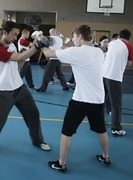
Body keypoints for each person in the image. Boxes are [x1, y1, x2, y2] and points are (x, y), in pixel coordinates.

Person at [42, 25, 111, 172]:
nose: (73, 40)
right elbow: (68, 52)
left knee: (67, 131)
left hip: (81, 100)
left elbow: (48, 54)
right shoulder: (98, 52)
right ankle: (106, 156)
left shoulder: (75, 51)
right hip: (98, 99)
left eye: (74, 37)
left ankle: (61, 163)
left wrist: (40, 42)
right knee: (101, 129)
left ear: (80, 37)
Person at [0, 20, 50, 151]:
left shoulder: (11, 44)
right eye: (13, 34)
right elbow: (19, 57)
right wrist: (36, 46)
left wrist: (23, 56)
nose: (15, 38)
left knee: (33, 114)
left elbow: (18, 63)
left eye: (17, 35)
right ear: (5, 32)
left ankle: (38, 141)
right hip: (4, 91)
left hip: (19, 88)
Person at [103, 29, 133, 137]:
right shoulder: (130, 46)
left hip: (104, 74)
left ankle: (98, 122)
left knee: (102, 99)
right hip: (114, 77)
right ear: (128, 37)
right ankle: (116, 128)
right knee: (116, 104)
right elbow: (129, 64)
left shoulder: (112, 43)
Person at [36, 28, 69, 92]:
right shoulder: (60, 39)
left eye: (50, 32)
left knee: (47, 74)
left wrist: (38, 35)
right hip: (58, 58)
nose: (50, 34)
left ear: (54, 32)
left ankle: (43, 88)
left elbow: (43, 40)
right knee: (60, 74)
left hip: (53, 59)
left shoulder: (52, 38)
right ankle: (65, 86)